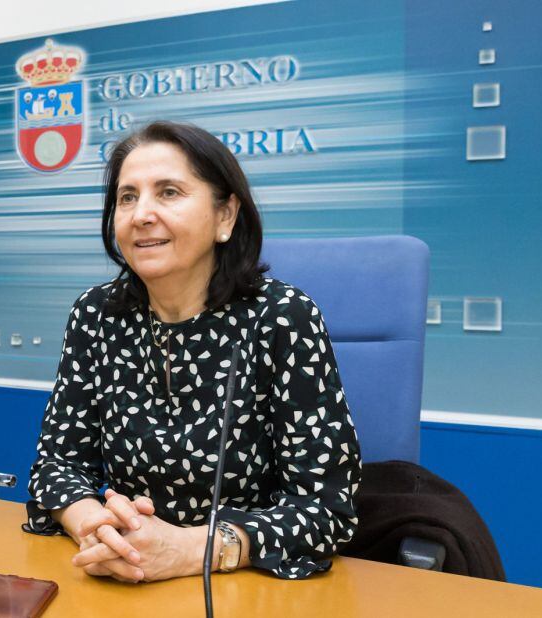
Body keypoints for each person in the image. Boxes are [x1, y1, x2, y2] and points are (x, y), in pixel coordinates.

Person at [25, 121, 361, 582]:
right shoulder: (97, 314)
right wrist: (96, 526)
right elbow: (57, 465)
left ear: (225, 216)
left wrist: (191, 550)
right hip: (123, 581)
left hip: (249, 586)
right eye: (127, 197)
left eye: (168, 192)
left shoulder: (282, 318)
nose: (141, 214)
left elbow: (326, 508)